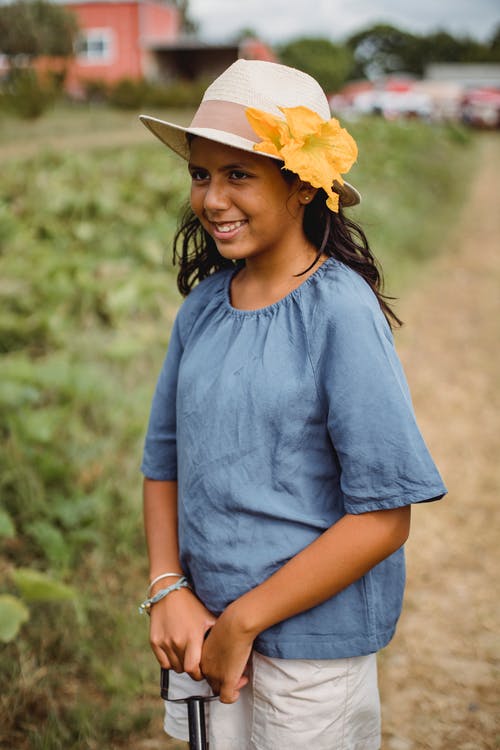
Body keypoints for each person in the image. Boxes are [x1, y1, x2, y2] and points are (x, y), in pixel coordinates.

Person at [139, 59, 447, 750]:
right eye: (200, 173)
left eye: (239, 174)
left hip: (309, 653)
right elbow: (163, 463)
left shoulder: (339, 312)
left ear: (303, 186)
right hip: (203, 629)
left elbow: (383, 518)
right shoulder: (201, 312)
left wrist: (246, 620)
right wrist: (168, 589)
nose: (212, 198)